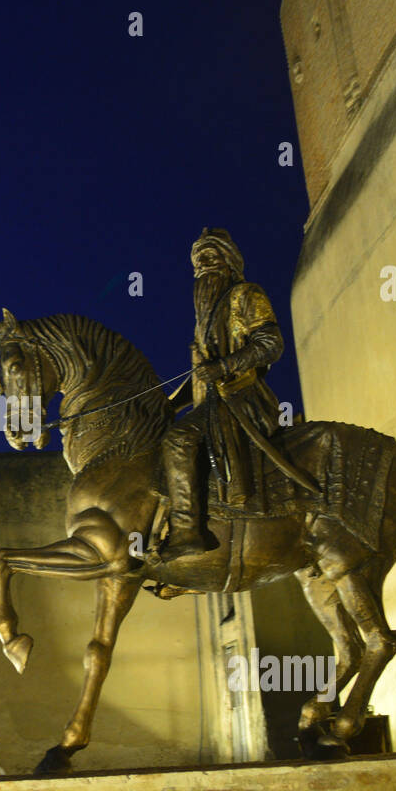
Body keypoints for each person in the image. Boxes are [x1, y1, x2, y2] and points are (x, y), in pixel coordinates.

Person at [160, 227, 286, 559]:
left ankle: (187, 532)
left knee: (178, 440)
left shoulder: (245, 295)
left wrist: (222, 367)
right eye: (198, 260)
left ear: (228, 261)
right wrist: (168, 406)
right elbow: (199, 376)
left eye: (210, 256)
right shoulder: (203, 318)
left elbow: (271, 345)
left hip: (242, 398)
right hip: (211, 401)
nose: (202, 264)